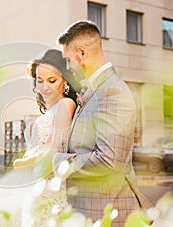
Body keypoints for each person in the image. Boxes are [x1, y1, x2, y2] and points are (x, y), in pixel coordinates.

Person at [54, 20, 154, 226]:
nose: (67, 67)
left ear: (82, 53)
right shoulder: (97, 89)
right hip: (94, 209)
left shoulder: (111, 91)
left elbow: (109, 161)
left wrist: (55, 161)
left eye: (67, 60)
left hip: (107, 211)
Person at [13, 49, 79, 226]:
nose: (44, 87)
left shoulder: (66, 104)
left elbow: (52, 154)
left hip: (50, 189)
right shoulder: (50, 111)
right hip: (35, 187)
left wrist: (20, 164)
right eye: (39, 80)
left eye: (52, 80)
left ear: (65, 80)